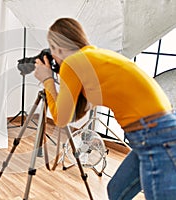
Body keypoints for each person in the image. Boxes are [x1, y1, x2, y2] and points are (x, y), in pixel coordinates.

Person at [34, 17, 176, 200]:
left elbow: (61, 119)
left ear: (59, 48)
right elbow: (74, 113)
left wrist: (47, 80)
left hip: (154, 134)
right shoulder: (94, 57)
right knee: (116, 191)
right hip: (157, 131)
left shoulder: (73, 63)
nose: (52, 57)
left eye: (52, 49)